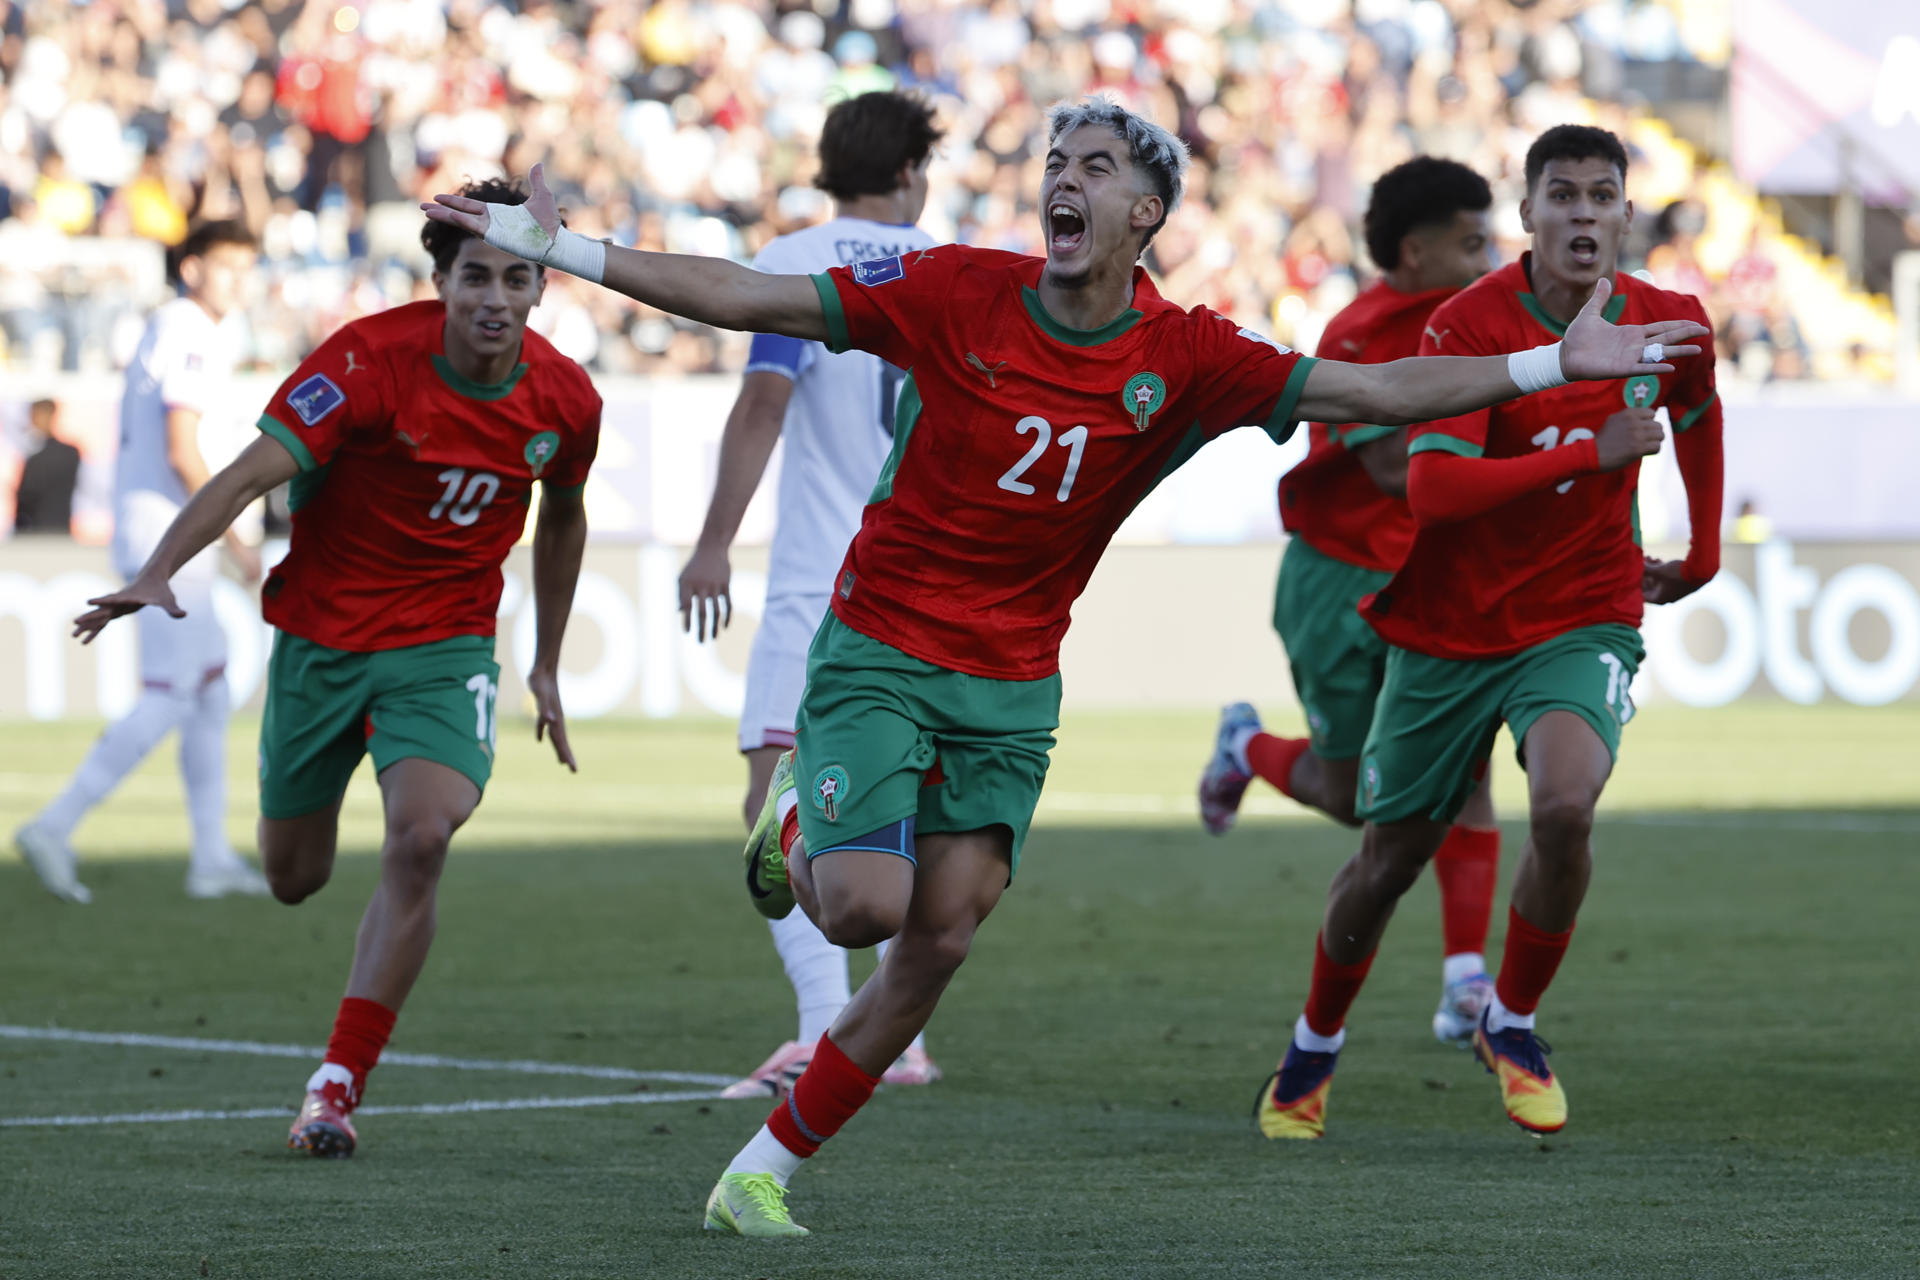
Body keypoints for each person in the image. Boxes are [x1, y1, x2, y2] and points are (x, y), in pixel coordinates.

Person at [424, 99, 1705, 1236]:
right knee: (864, 907)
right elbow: (746, 297)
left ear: (1145, 210)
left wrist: (1550, 364)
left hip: (1013, 682)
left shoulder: (1188, 356)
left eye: (1093, 163)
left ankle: (758, 1170)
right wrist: (562, 252)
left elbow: (1369, 390)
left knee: (941, 938)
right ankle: (804, 822)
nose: (1063, 177)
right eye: (1055, 159)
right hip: (884, 642)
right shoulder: (955, 288)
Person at [72, 180, 601, 1159]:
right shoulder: (364, 362)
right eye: (475, 274)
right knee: (293, 876)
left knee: (423, 836)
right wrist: (156, 571)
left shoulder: (565, 398)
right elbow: (247, 472)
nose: (495, 296)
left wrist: (548, 663)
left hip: (443, 649)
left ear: (540, 287)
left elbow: (564, 516)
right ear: (441, 281)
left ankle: (337, 1080)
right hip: (321, 640)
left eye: (517, 277)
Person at [1256, 125, 1724, 1141]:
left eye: (1604, 195)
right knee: (1385, 860)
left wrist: (1707, 548)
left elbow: (1699, 409)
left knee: (1564, 804)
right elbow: (1432, 485)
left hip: (1582, 610)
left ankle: (1510, 1021)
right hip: (1451, 625)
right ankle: (1315, 1041)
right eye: (1563, 194)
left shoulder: (1672, 319)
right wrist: (1587, 452)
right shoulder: (1467, 324)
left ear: (1626, 215)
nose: (1584, 213)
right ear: (1529, 215)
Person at [1197, 157, 1506, 1049]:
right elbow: (1382, 466)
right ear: (1414, 252)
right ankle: (1246, 747)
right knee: (1366, 801)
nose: (1489, 258)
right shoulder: (1367, 332)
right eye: (1471, 241)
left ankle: (1464, 982)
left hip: (1433, 582)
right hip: (1340, 584)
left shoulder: (1483, 320)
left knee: (1468, 775)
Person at [677, 90, 943, 1100]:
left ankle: (826, 1026)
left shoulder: (794, 263)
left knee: (772, 795)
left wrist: (711, 542)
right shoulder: (949, 262)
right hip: (923, 581)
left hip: (823, 577)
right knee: (913, 808)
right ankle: (897, 1033)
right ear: (913, 171)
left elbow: (761, 404)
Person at [16, 223, 268, 903]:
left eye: (247, 265)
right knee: (173, 689)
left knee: (210, 687)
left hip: (170, 530)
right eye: (225, 265)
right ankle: (54, 825)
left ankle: (211, 858)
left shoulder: (190, 329)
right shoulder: (188, 328)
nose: (239, 279)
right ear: (191, 270)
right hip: (170, 536)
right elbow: (184, 449)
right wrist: (241, 545)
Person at [11, 399, 80, 534]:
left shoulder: (39, 457)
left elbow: (27, 497)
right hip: (59, 528)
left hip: (39, 530)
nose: (32, 420)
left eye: (35, 415)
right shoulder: (69, 453)